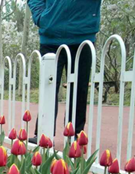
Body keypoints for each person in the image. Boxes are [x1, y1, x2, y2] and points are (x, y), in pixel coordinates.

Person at [27, 0, 101, 142]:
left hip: (83, 32)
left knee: (80, 88)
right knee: (48, 87)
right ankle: (43, 134)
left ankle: (75, 134)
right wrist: (41, 17)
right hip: (51, 36)